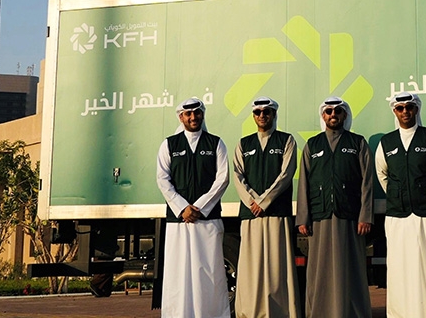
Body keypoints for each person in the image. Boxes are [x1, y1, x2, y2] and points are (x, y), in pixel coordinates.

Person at [375, 92, 426, 318]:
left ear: (416, 109)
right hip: (398, 217)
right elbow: (383, 175)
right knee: (403, 269)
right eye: (400, 108)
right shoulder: (386, 142)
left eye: (409, 107)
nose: (405, 111)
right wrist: (401, 195)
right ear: (394, 111)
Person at [295, 96, 374, 318]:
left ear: (344, 115)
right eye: (329, 111)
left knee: (350, 268)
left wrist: (365, 216)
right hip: (320, 216)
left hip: (350, 216)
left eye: (337, 111)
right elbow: (304, 183)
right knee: (320, 270)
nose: (333, 115)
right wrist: (303, 218)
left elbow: (367, 182)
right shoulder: (312, 145)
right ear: (323, 115)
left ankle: (353, 312)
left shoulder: (357, 143)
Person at [156, 96, 231, 318]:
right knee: (178, 273)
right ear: (181, 117)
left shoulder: (216, 143)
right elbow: (162, 179)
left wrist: (198, 208)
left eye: (197, 113)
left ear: (202, 114)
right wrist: (182, 208)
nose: (193, 117)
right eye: (188, 114)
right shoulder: (169, 144)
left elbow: (222, 179)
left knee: (209, 273)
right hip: (178, 221)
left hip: (207, 219)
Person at [232, 96, 300, 318]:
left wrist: (264, 202)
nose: (262, 115)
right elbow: (237, 176)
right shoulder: (243, 144)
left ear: (274, 114)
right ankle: (250, 311)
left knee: (276, 267)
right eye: (258, 112)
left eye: (266, 112)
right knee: (251, 268)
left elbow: (286, 175)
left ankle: (281, 311)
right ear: (253, 116)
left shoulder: (286, 141)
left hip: (276, 213)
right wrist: (253, 201)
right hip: (251, 214)